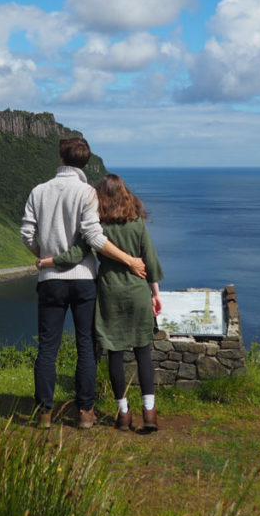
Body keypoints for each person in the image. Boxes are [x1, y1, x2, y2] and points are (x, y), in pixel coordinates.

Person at [20, 137, 146, 430]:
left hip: (50, 280)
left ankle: (45, 412)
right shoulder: (87, 193)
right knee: (85, 345)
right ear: (84, 163)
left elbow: (27, 234)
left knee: (47, 348)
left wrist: (46, 257)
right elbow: (93, 236)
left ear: (61, 159)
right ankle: (86, 412)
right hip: (84, 280)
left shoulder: (39, 191)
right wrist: (129, 260)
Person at [38, 173, 164, 432]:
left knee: (115, 354)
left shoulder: (98, 226)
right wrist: (155, 293)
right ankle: (149, 413)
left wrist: (47, 262)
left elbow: (76, 254)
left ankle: (124, 414)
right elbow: (149, 259)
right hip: (138, 291)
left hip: (109, 293)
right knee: (143, 352)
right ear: (126, 194)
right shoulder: (137, 222)